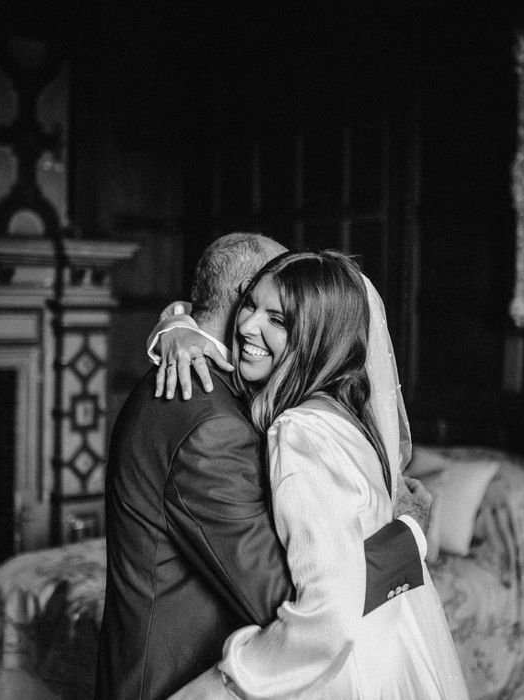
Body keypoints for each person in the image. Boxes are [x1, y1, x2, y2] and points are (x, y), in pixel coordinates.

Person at [95, 233, 432, 700]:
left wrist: (176, 322)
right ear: (243, 298)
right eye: (264, 301)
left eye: (282, 311)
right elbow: (291, 603)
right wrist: (408, 535)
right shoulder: (211, 419)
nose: (262, 319)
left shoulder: (195, 375)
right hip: (173, 681)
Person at [169, 250, 468, 699]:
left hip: (342, 672)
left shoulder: (299, 432)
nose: (249, 326)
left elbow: (329, 611)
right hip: (390, 651)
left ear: (315, 337)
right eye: (250, 304)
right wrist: (175, 325)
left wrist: (228, 680)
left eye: (279, 320)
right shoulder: (346, 416)